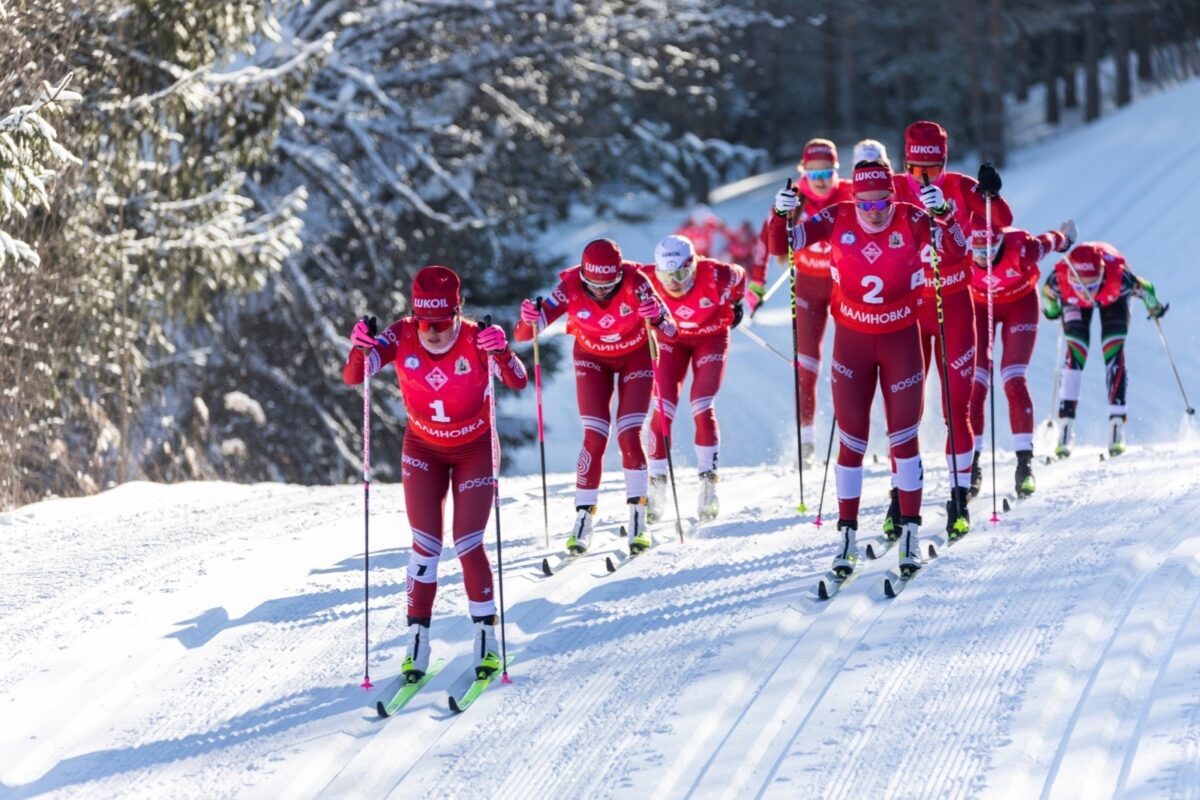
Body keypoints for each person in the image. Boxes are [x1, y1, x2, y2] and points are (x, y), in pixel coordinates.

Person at [769, 159, 969, 578]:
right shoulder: (838, 214)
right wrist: (781, 213)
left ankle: (911, 531)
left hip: (901, 342)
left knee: (904, 440)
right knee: (852, 442)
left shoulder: (913, 218)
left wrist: (943, 213)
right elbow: (782, 245)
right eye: (865, 203)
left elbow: (958, 251)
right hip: (852, 346)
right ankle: (847, 535)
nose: (874, 211)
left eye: (882, 202)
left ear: (892, 197)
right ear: (854, 198)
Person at [341, 266, 528, 683]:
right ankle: (417, 640)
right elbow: (355, 376)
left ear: (458, 313)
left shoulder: (477, 337)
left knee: (467, 542)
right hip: (423, 448)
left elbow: (518, 380)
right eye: (425, 323)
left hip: (474, 448)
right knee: (424, 545)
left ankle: (485, 636)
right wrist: (358, 348)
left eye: (442, 323)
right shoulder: (401, 334)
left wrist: (502, 353)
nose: (433, 333)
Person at [885, 120, 1013, 538]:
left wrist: (992, 193)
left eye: (933, 168)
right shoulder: (890, 187)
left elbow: (1004, 219)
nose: (924, 178)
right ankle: (897, 497)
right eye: (916, 168)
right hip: (906, 309)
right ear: (904, 161)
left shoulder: (959, 186)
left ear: (945, 160)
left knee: (956, 407)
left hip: (956, 304)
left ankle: (958, 496)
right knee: (905, 412)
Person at [514, 239, 676, 555]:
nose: (600, 292)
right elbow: (523, 335)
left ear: (619, 275)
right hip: (591, 359)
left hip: (636, 358)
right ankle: (583, 517)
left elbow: (670, 330)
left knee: (629, 434)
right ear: (584, 276)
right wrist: (528, 318)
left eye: (609, 285)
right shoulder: (571, 285)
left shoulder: (636, 281)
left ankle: (638, 517)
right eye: (593, 285)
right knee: (595, 435)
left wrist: (656, 315)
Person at [745, 138, 855, 464]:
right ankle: (807, 443)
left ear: (837, 170)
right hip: (807, 288)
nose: (821, 180)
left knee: (850, 366)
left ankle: (855, 436)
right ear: (803, 171)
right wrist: (756, 290)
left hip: (844, 287)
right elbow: (767, 244)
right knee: (806, 368)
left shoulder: (849, 193)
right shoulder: (792, 200)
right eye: (813, 172)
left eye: (827, 172)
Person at [639, 234, 747, 522]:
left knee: (701, 404)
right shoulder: (646, 278)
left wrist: (736, 305)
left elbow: (741, 277)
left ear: (694, 265)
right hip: (670, 342)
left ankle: (708, 486)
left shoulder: (717, 273)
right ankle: (658, 486)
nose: (674, 282)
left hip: (709, 339)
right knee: (662, 408)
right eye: (667, 275)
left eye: (682, 273)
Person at [968, 222, 1074, 498]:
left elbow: (1049, 240)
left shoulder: (1021, 247)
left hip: (1020, 305)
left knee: (1013, 378)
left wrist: (1065, 237)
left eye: (989, 250)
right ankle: (972, 466)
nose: (983, 257)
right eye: (977, 251)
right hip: (980, 308)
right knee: (976, 384)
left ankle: (1024, 465)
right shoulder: (963, 251)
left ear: (1000, 243)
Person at [1041, 239, 1168, 457]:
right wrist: (1053, 311)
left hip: (1113, 298)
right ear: (1071, 277)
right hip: (1075, 304)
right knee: (1075, 352)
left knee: (1113, 349)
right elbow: (1047, 296)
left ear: (1101, 274)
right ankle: (1065, 427)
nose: (1086, 292)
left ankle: (1116, 425)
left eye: (1090, 285)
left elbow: (1145, 289)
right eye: (1080, 285)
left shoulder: (1120, 276)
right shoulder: (1059, 278)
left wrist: (1154, 307)